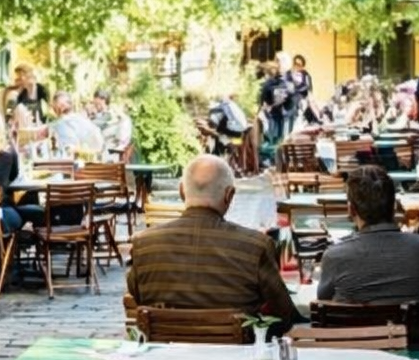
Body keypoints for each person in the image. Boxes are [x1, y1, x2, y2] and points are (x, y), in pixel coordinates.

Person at [126, 155, 301, 326]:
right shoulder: (256, 247)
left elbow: (137, 298)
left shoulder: (143, 244)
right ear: (229, 195)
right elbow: (284, 314)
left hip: (163, 344)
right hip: (235, 345)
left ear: (181, 191)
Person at [316, 166, 419, 308]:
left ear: (351, 210)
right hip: (417, 323)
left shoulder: (334, 256)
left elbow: (324, 299)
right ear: (394, 206)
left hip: (357, 322)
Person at [48, 91, 105, 157]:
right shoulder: (82, 119)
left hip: (83, 158)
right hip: (97, 156)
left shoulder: (60, 124)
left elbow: (70, 149)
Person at [90, 90, 133, 156]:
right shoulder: (96, 115)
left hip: (110, 148)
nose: (95, 106)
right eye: (95, 104)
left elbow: (123, 120)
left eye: (97, 104)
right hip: (99, 146)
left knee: (126, 120)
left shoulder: (113, 112)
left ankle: (122, 144)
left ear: (103, 100)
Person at [283, 54, 313, 138]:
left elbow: (309, 90)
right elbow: (284, 86)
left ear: (303, 66)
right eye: (295, 64)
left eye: (299, 65)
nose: (297, 66)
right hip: (289, 99)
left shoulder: (306, 75)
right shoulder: (288, 74)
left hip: (301, 98)